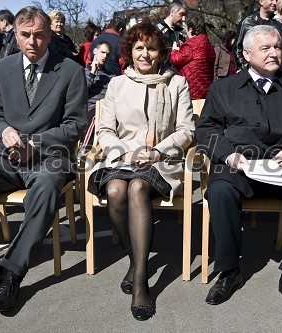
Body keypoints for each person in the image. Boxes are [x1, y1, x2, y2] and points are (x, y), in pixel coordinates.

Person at [0, 6, 87, 312]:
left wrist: (35, 142)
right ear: (15, 35)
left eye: (39, 35)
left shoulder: (70, 70)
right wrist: (3, 132)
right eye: (25, 35)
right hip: (8, 156)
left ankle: (13, 273)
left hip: (51, 158)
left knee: (43, 190)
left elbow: (76, 126)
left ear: (49, 34)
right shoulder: (1, 69)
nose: (32, 42)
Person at [196, 25, 282, 315]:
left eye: (277, 47)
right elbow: (206, 130)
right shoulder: (223, 89)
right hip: (240, 166)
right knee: (219, 190)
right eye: (265, 48)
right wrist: (229, 156)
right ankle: (229, 271)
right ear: (246, 53)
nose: (274, 53)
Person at [87, 20, 195, 321]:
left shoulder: (177, 83)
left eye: (151, 48)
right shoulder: (117, 85)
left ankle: (140, 280)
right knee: (115, 189)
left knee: (136, 187)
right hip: (122, 157)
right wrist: (125, 152)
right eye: (138, 48)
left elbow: (187, 129)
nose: (145, 54)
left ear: (160, 52)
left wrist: (157, 151)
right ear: (129, 52)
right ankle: (136, 260)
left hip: (161, 159)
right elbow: (106, 130)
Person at [79, 41, 115, 155]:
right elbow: (82, 92)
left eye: (107, 54)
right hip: (90, 109)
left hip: (107, 109)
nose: (104, 56)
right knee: (96, 113)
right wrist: (93, 74)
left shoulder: (111, 76)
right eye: (102, 52)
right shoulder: (83, 72)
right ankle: (84, 148)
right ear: (95, 51)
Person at [170, 13, 216, 99]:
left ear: (190, 29)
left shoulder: (191, 45)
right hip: (205, 89)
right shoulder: (208, 43)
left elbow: (175, 59)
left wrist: (175, 50)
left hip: (191, 90)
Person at [234, 0, 282, 71]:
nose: (274, 3)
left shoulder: (279, 24)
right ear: (261, 1)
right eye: (271, 0)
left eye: (276, 0)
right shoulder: (247, 22)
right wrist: (246, 69)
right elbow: (237, 48)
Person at [156, 0, 187, 66]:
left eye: (185, 15)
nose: (183, 19)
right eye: (181, 14)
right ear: (172, 12)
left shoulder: (181, 34)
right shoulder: (157, 30)